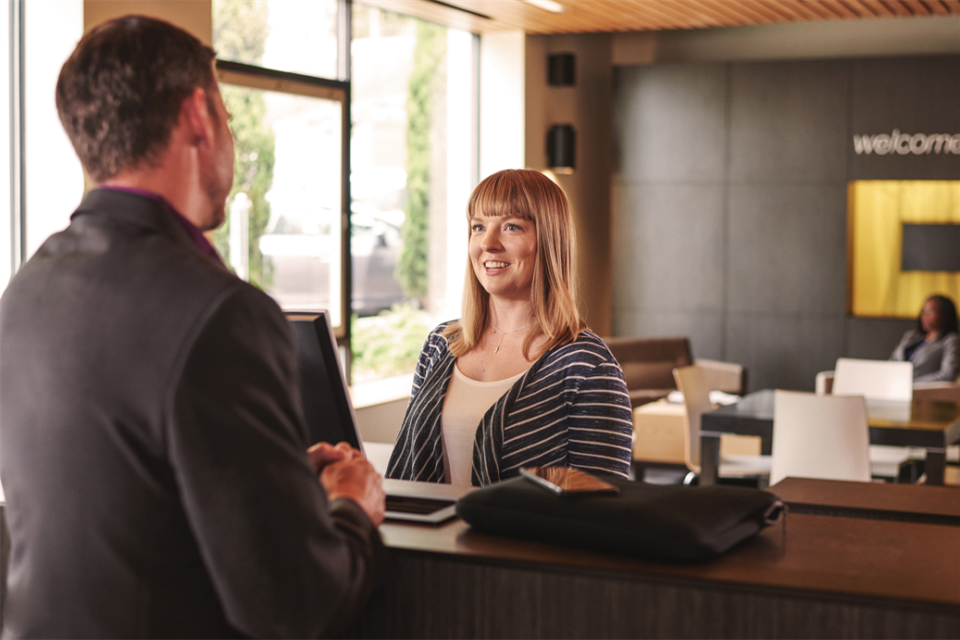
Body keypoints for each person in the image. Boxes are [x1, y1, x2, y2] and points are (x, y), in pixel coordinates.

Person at [0, 16, 386, 640]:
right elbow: (296, 606)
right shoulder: (221, 313)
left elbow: (126, 496)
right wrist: (352, 508)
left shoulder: (26, 290)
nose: (231, 136)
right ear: (198, 117)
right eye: (229, 117)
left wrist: (272, 469)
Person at [386, 169, 634, 486]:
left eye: (511, 227)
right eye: (478, 227)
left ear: (548, 240)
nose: (488, 244)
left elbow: (602, 507)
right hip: (425, 537)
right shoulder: (440, 344)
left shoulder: (586, 366)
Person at [890, 294, 959, 382]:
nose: (924, 315)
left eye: (930, 311)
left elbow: (947, 375)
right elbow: (892, 361)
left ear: (945, 314)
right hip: (894, 386)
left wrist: (911, 382)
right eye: (923, 310)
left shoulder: (950, 340)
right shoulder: (910, 336)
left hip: (922, 391)